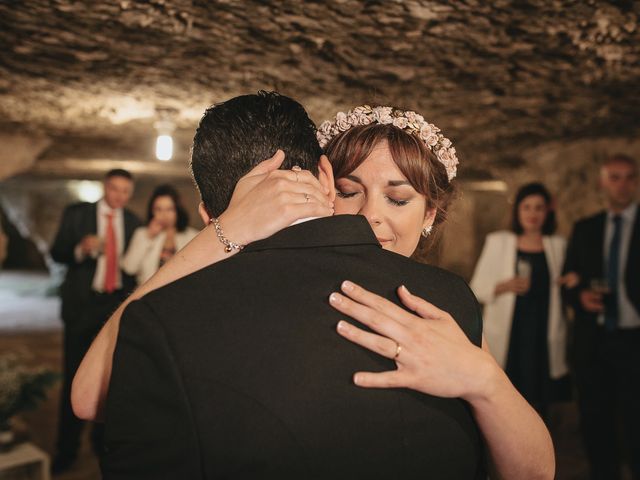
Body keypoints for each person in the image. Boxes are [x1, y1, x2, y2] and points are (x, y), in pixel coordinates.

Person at [75, 100, 554, 478]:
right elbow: (90, 394)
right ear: (325, 187)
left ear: (430, 215)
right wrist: (227, 231)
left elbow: (533, 470)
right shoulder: (259, 299)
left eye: (398, 197)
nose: (371, 216)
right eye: (349, 191)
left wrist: (484, 379)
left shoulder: (448, 304)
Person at [49, 168, 141, 473]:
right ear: (105, 187)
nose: (120, 196)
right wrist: (80, 249)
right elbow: (57, 252)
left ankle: (102, 446)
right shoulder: (77, 214)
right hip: (81, 307)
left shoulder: (132, 222)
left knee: (111, 381)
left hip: (113, 308)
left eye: (126, 191)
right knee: (75, 377)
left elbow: (132, 268)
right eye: (115, 189)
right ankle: (66, 450)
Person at [563, 153, 640, 480]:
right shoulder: (585, 229)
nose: (622, 185)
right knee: (595, 418)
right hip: (592, 340)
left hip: (635, 339)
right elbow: (567, 279)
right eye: (614, 177)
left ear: (636, 182)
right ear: (602, 183)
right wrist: (578, 296)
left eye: (629, 177)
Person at [469, 183, 570, 415]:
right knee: (508, 394)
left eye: (539, 208)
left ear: (547, 212)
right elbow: (476, 288)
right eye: (527, 207)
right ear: (517, 211)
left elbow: (565, 285)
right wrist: (503, 286)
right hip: (512, 331)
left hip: (544, 331)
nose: (532, 214)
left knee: (541, 395)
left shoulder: (558, 245)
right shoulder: (498, 241)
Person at [121, 184, 198, 285]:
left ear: (177, 211)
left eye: (169, 209)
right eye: (158, 209)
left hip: (181, 294)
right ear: (152, 211)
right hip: (148, 295)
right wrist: (148, 237)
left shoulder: (192, 235)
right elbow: (129, 269)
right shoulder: (142, 233)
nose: (164, 215)